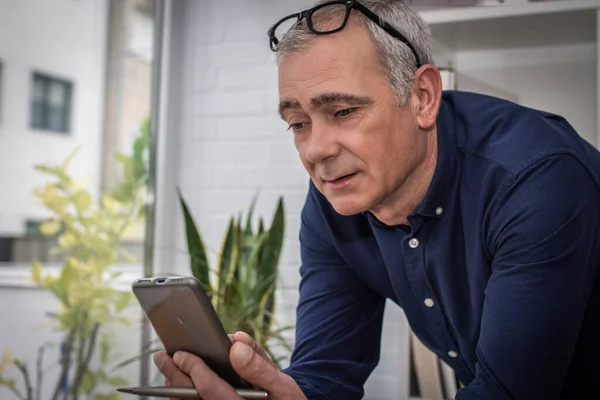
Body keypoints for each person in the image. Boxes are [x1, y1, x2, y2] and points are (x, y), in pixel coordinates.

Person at [152, 0, 600, 399]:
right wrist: (275, 391)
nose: (315, 150)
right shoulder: (337, 198)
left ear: (422, 97)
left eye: (343, 111)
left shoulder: (533, 178)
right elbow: (326, 375)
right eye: (298, 123)